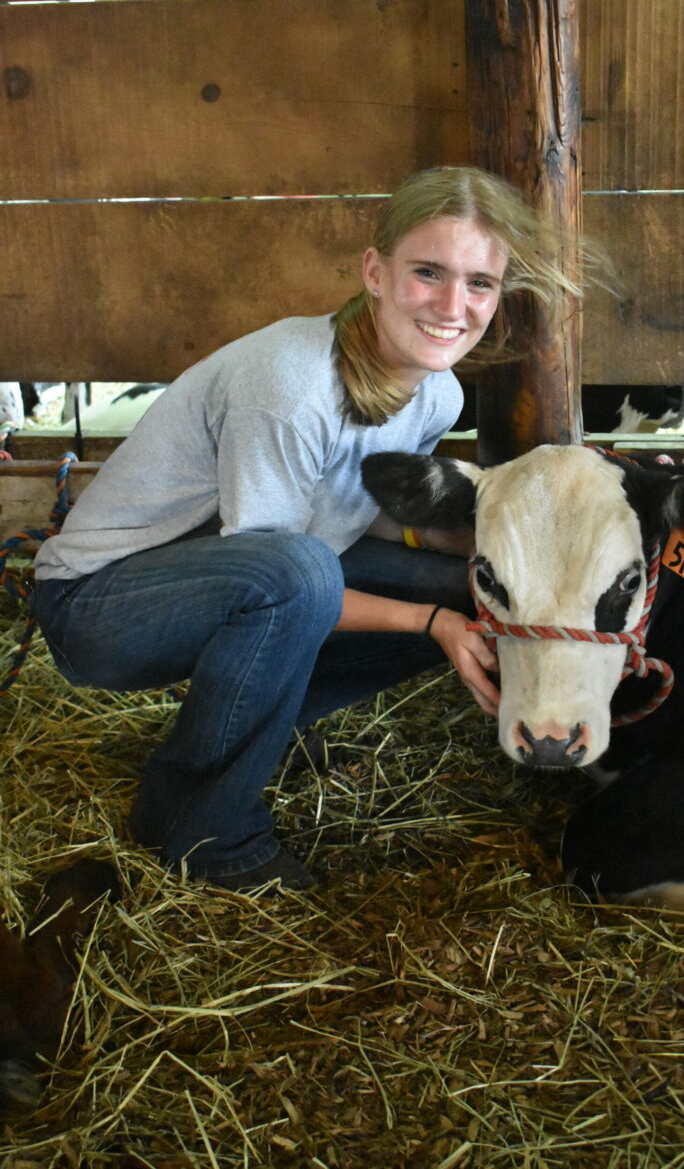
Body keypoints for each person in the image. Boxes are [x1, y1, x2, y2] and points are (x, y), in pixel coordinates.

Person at [30, 166, 581, 893]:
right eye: (427, 272)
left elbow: (343, 506)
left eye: (479, 283)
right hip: (99, 609)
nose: (455, 305)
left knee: (469, 585)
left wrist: (459, 551)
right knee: (308, 579)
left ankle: (261, 727)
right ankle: (201, 824)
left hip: (234, 580)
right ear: (374, 272)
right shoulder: (291, 384)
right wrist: (429, 624)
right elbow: (275, 571)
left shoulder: (436, 395)